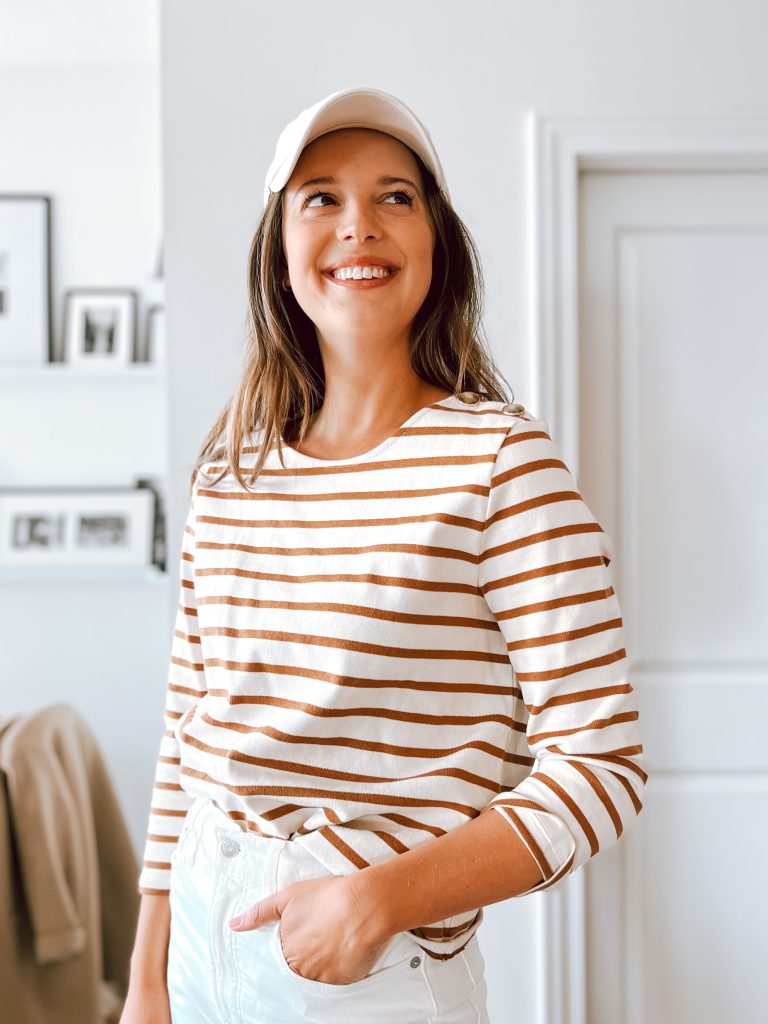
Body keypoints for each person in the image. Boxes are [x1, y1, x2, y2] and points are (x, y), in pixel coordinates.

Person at [120, 86, 647, 1024]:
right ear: (279, 252)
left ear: (437, 244)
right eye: (320, 198)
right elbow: (189, 733)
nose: (357, 226)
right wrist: (149, 978)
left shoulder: (499, 461)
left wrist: (378, 901)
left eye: (394, 196)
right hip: (204, 934)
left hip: (367, 967)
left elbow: (602, 764)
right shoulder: (228, 476)